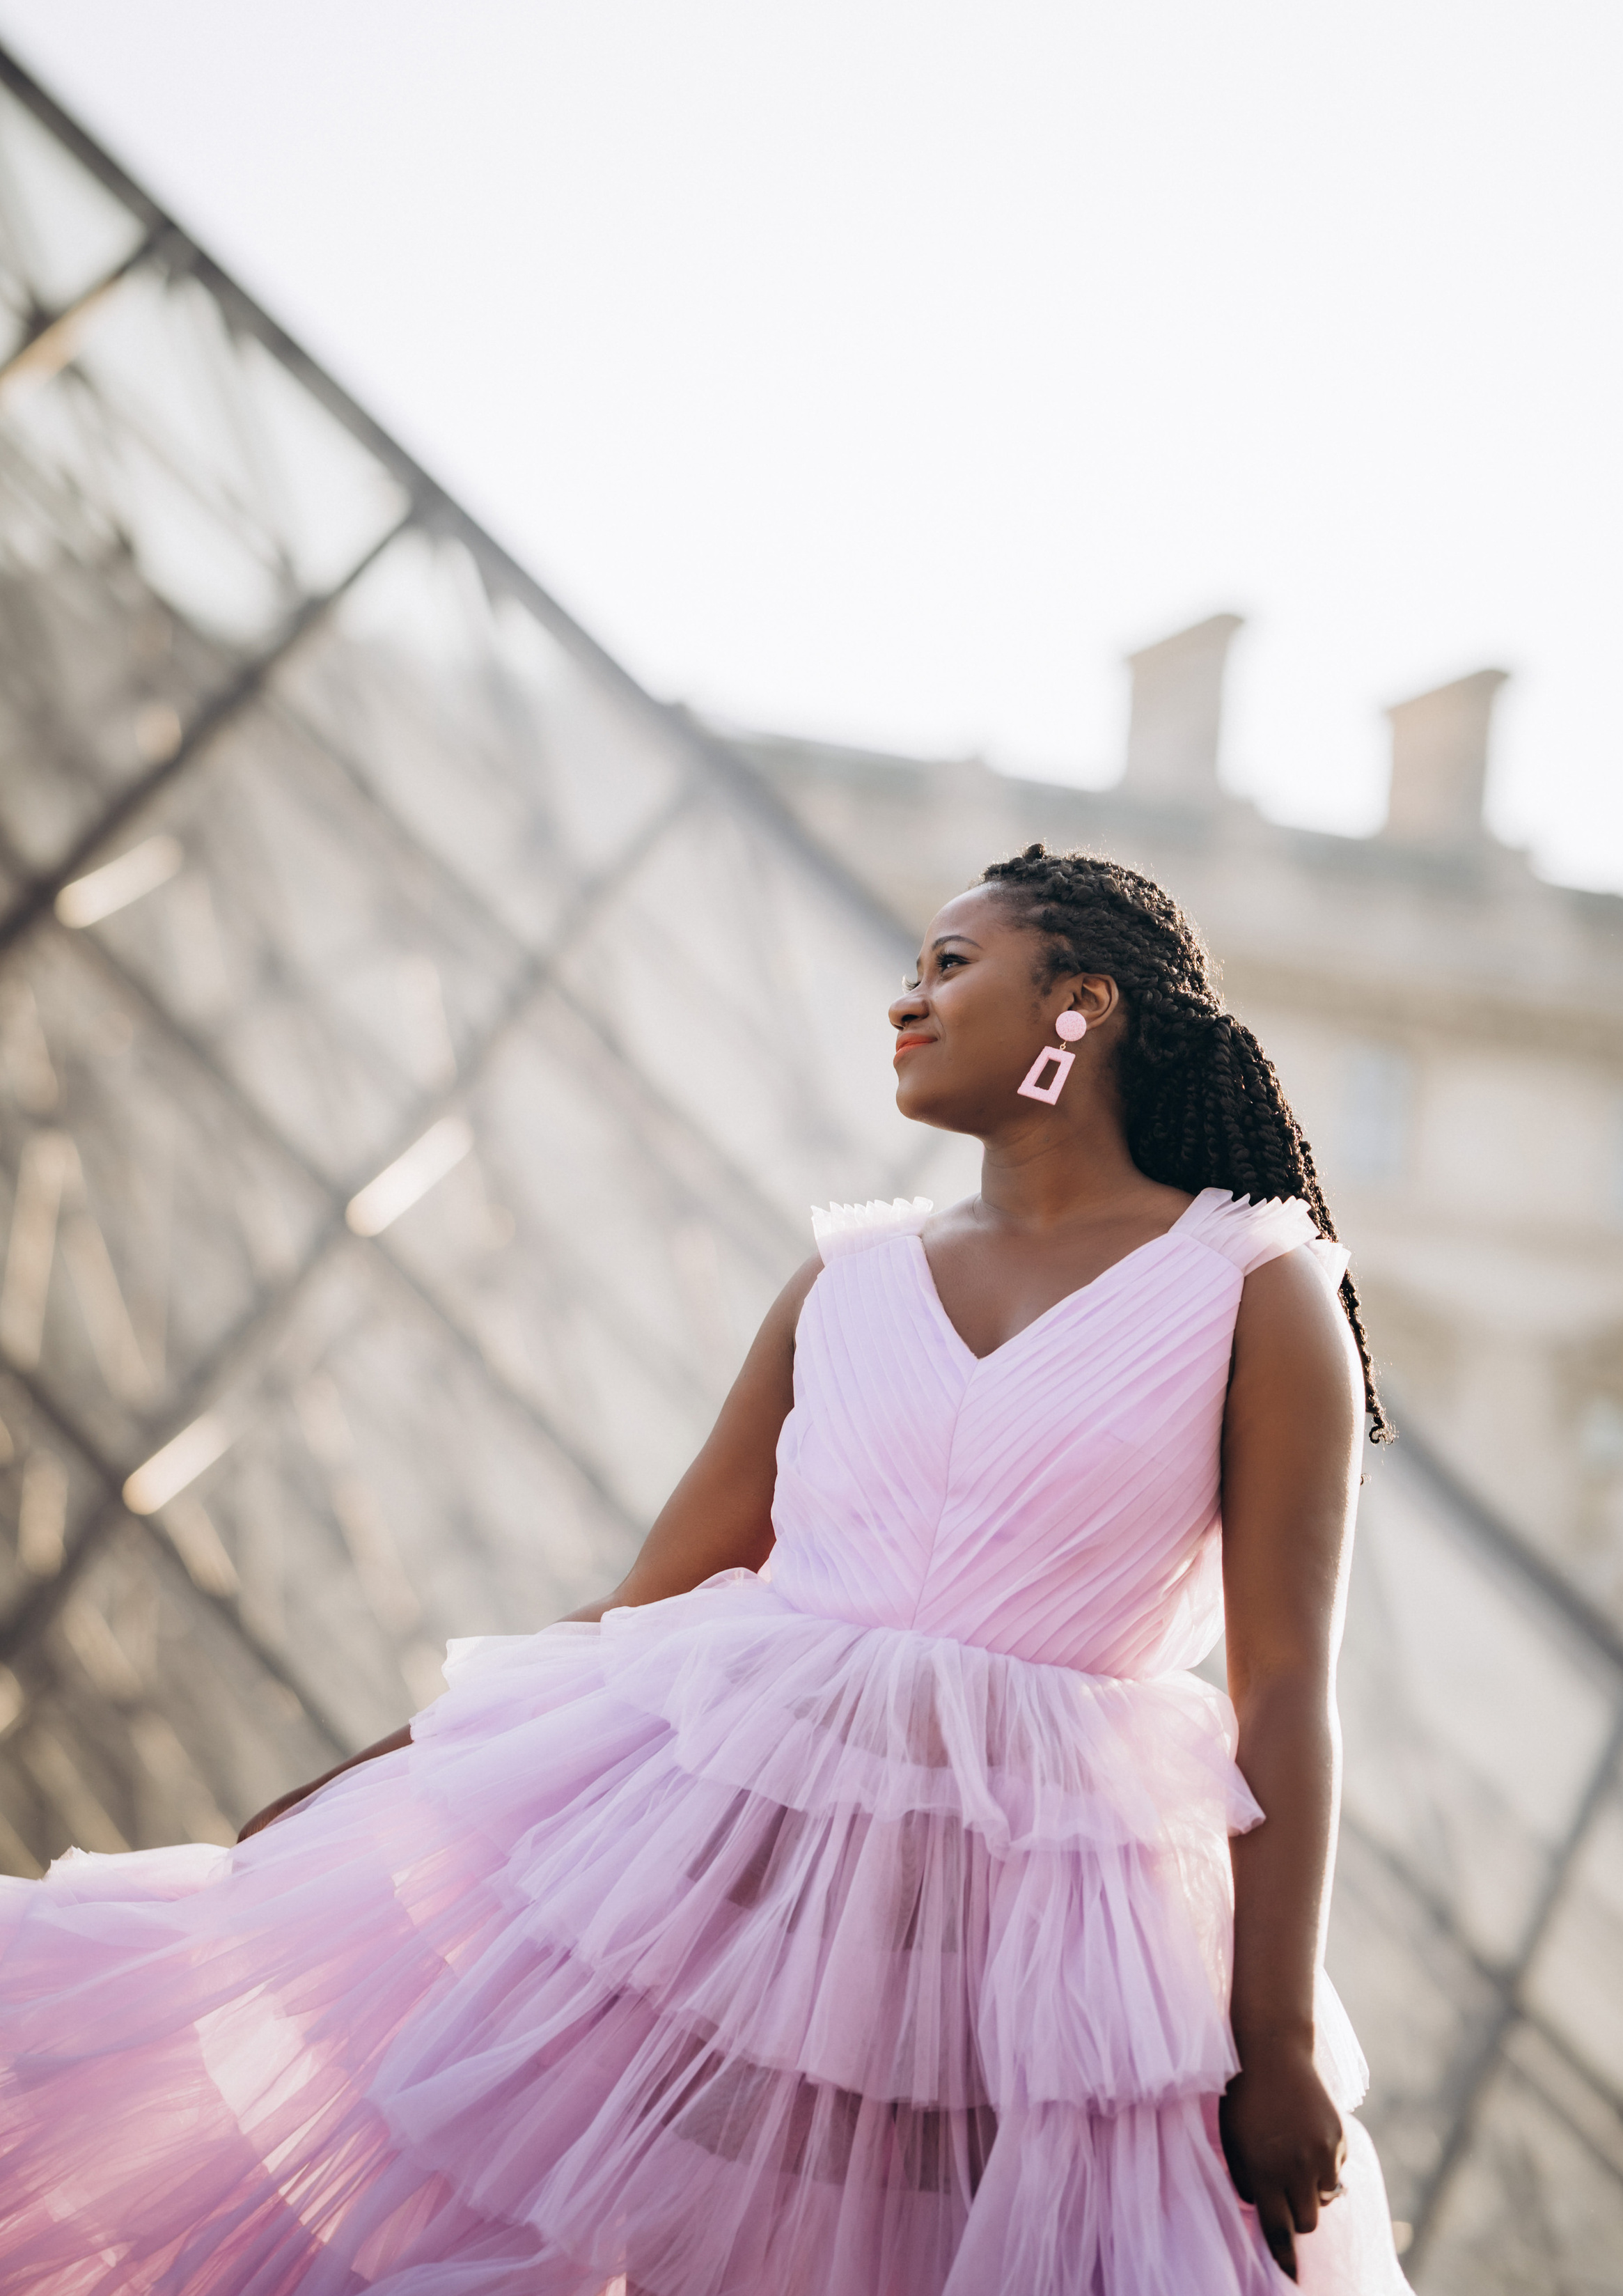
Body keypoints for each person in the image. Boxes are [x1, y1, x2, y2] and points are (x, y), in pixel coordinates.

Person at [0, 844, 1411, 2293]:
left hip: (1042, 1946)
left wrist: (1274, 2040)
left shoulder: (1253, 1289)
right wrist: (372, 1778)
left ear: (1080, 1004)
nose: (902, 1004)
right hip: (719, 1883)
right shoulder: (842, 1282)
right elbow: (646, 1604)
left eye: (948, 964)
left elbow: (1285, 1687)